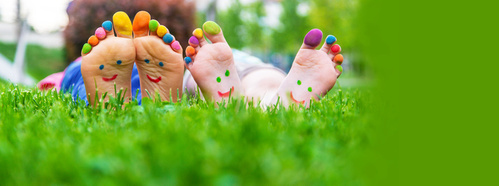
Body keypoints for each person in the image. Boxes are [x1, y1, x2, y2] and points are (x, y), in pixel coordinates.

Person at [38, 8, 344, 108]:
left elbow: (48, 86)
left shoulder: (89, 55)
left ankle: (125, 98)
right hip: (189, 70)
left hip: (100, 69)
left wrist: (54, 84)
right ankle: (272, 101)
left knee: (75, 78)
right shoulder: (194, 53)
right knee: (254, 72)